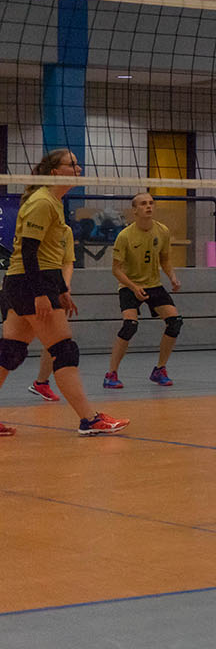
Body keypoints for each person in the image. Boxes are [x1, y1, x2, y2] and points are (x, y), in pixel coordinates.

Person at [0, 149, 128, 437]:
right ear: (55, 171)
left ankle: (90, 419)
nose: (78, 168)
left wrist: (60, 290)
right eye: (72, 164)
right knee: (64, 350)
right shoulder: (43, 202)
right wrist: (40, 294)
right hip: (29, 283)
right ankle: (89, 419)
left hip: (25, 282)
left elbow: (50, 257)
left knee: (10, 352)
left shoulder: (53, 202)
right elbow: (29, 252)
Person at [102, 192, 185, 388]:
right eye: (143, 204)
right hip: (129, 285)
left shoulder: (162, 230)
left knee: (175, 322)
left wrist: (172, 277)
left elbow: (165, 259)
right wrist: (133, 287)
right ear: (134, 210)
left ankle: (159, 370)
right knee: (130, 325)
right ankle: (111, 374)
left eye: (151, 203)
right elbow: (116, 269)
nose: (148, 206)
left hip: (153, 284)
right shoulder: (125, 236)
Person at [26, 220, 75, 403]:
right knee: (15, 344)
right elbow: (27, 258)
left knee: (58, 340)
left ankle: (41, 383)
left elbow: (67, 262)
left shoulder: (65, 231)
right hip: (27, 286)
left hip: (52, 287)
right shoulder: (33, 227)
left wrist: (65, 287)